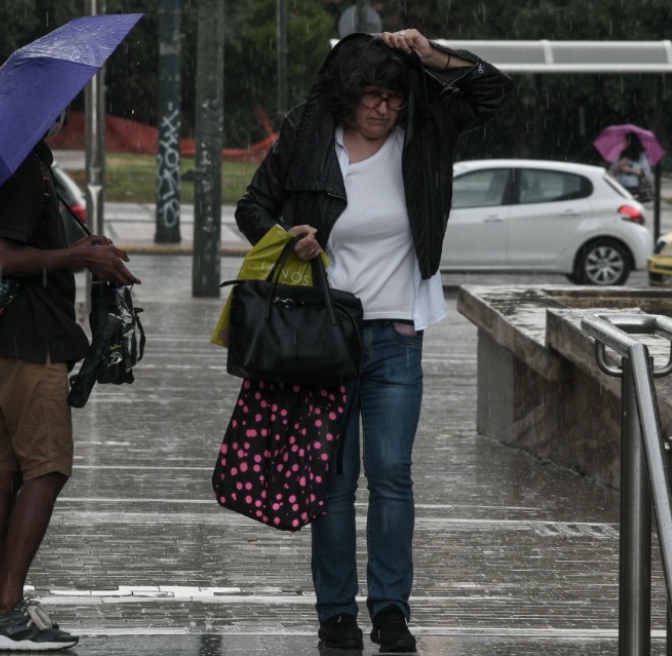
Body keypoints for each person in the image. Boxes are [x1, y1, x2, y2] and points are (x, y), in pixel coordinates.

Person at [234, 30, 512, 653]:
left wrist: (430, 54)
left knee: (392, 475)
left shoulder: (427, 133)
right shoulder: (308, 133)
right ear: (348, 94)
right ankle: (336, 614)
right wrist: (288, 239)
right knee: (332, 481)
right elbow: (251, 207)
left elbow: (495, 91)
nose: (383, 109)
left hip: (396, 336)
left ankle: (391, 611)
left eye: (394, 97)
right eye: (372, 96)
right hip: (323, 336)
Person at [0, 113, 141, 651]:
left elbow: (24, 248)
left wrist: (81, 248)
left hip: (11, 343)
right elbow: (1, 257)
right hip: (30, 345)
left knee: (8, 469)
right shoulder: (20, 170)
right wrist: (76, 256)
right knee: (49, 468)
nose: (63, 113)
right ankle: (3, 609)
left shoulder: (23, 164)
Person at [610, 132, 654, 200]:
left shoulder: (641, 156)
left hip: (636, 188)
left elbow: (645, 173)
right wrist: (620, 164)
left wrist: (630, 170)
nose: (623, 142)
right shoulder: (622, 154)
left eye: (625, 140)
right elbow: (614, 173)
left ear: (630, 142)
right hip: (622, 186)